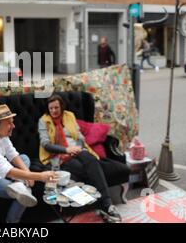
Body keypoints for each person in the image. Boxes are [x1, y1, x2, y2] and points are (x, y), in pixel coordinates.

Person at [38, 95, 128, 223]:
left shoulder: (69, 116)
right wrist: (66, 150)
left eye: (56, 107)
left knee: (90, 159)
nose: (53, 111)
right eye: (51, 108)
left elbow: (80, 137)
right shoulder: (43, 121)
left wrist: (77, 149)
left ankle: (106, 204)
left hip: (77, 150)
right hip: (59, 156)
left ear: (61, 107)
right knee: (87, 168)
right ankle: (106, 205)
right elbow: (45, 144)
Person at [0, 104, 57, 223]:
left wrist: (27, 171)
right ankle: (12, 221)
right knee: (23, 195)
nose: (13, 126)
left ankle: (20, 183)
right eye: (9, 123)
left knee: (23, 158)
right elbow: (9, 172)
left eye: (12, 122)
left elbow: (12, 154)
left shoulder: (1, 135)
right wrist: (40, 176)